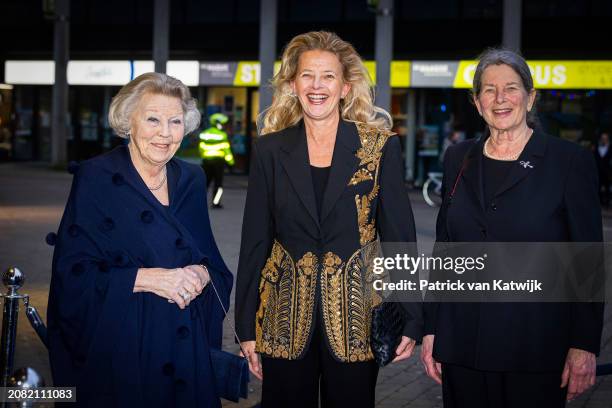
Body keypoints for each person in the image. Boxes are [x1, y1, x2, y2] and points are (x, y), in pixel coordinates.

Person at [234, 31, 422, 408]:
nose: (316, 86)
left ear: (345, 88)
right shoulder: (270, 150)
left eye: (328, 76)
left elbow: (400, 237)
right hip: (283, 315)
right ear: (293, 84)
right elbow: (255, 240)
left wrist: (412, 316)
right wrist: (244, 326)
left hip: (356, 317)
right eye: (307, 75)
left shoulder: (380, 147)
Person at [421, 48, 604, 407]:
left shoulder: (568, 162)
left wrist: (583, 344)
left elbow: (587, 261)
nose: (500, 99)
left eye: (511, 88)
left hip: (534, 347)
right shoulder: (458, 158)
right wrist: (431, 329)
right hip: (462, 344)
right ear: (476, 102)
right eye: (488, 90)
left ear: (530, 96)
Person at [47, 72, 233, 407]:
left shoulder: (191, 178)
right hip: (125, 346)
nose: (165, 133)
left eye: (175, 121)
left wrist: (204, 275)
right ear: (128, 121)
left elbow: (211, 261)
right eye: (153, 119)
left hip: (183, 347)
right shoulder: (96, 177)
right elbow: (71, 275)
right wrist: (148, 279)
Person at [199, 112, 235, 208]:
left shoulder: (204, 134)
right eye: (223, 123)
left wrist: (204, 157)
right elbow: (226, 150)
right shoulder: (222, 135)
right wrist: (231, 163)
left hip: (206, 161)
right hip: (218, 162)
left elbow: (201, 148)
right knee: (218, 184)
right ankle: (216, 203)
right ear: (218, 123)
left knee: (205, 183)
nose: (224, 125)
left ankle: (199, 202)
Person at [594, 131, 611, 207]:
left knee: (607, 187)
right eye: (602, 138)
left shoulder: (610, 148)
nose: (604, 140)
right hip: (598, 171)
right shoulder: (596, 148)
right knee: (598, 187)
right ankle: (599, 202)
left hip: (607, 172)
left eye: (605, 138)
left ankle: (607, 202)